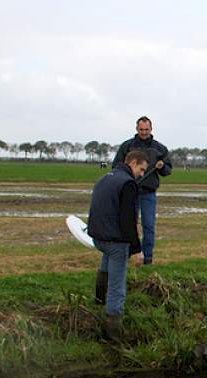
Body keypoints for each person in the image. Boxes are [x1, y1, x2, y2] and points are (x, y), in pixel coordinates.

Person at [87, 150, 148, 340]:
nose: (142, 174)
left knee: (106, 266)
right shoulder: (128, 184)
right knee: (117, 287)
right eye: (142, 169)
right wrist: (137, 250)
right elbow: (128, 220)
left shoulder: (105, 178)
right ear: (133, 163)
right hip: (115, 241)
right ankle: (113, 332)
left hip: (98, 237)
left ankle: (98, 302)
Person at [112, 116, 172, 265]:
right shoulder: (127, 146)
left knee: (149, 226)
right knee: (127, 224)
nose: (144, 132)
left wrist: (162, 166)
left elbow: (168, 170)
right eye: (141, 129)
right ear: (136, 129)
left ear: (151, 129)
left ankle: (148, 258)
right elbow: (116, 166)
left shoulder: (160, 148)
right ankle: (125, 255)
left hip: (148, 193)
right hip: (129, 191)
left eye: (146, 129)